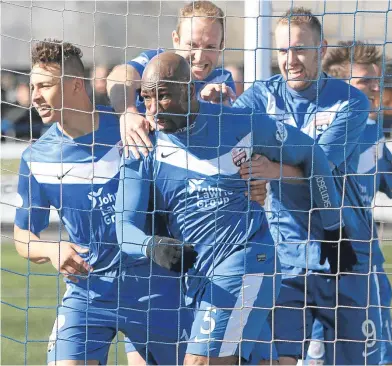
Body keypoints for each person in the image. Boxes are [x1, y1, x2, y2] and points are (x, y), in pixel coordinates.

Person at [115, 52, 354, 366]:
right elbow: (123, 229)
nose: (154, 109)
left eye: (164, 97)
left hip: (247, 260)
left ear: (188, 91)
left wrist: (333, 227)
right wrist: (153, 246)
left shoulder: (241, 124)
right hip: (197, 277)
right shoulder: (142, 144)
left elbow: (311, 153)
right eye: (146, 98)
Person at [13, 39, 192, 366]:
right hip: (89, 289)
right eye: (32, 86)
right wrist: (52, 250)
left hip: (153, 285)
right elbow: (23, 237)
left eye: (45, 86)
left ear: (76, 85)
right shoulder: (37, 158)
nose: (35, 95)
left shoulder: (131, 129)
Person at [233, 7, 381, 365]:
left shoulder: (351, 100)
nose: (290, 60)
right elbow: (230, 143)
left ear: (321, 48)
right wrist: (212, 104)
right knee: (277, 358)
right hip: (284, 254)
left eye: (299, 49)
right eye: (283, 51)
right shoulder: (259, 98)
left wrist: (269, 167)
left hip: (343, 251)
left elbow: (321, 165)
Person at [305, 41, 392, 366]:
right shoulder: (314, 130)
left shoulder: (373, 134)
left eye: (377, 81)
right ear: (338, 86)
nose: (375, 89)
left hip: (361, 261)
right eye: (364, 81)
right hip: (313, 262)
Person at [107, 0, 236, 160]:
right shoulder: (156, 63)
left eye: (210, 47)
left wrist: (216, 108)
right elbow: (118, 76)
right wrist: (128, 112)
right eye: (192, 44)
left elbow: (226, 144)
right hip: (145, 163)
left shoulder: (222, 80)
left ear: (221, 46)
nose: (200, 56)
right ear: (176, 40)